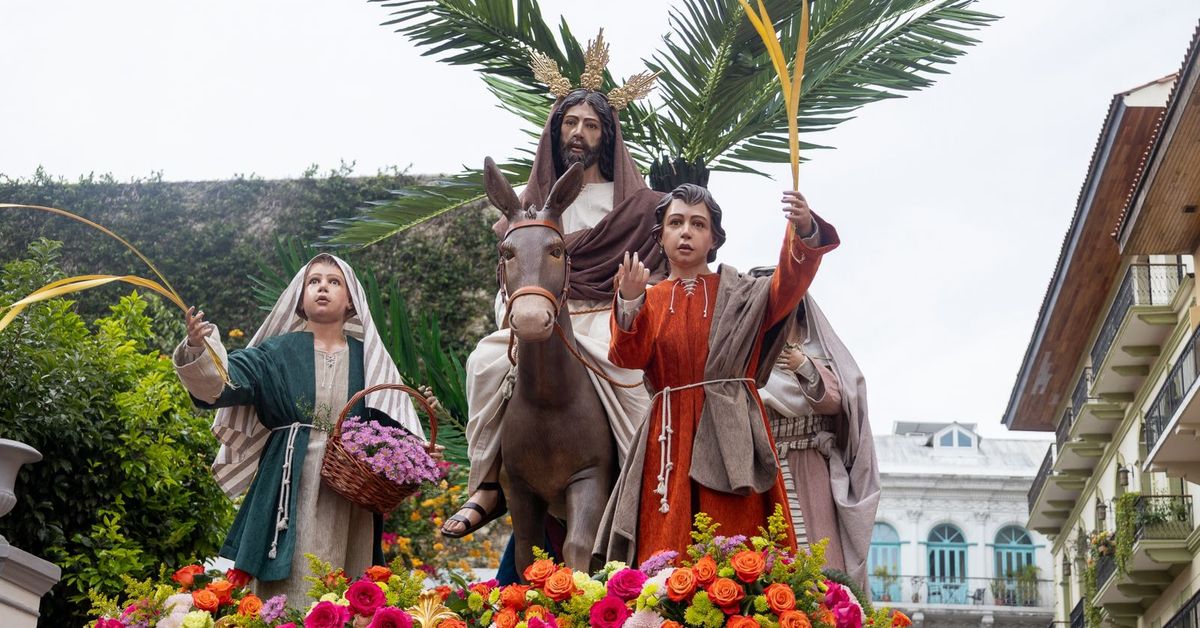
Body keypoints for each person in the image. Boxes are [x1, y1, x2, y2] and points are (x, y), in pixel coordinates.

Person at [443, 79, 665, 538]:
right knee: (484, 361)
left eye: (590, 124)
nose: (578, 133)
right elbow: (510, 277)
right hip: (542, 319)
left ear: (607, 135)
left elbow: (657, 279)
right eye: (570, 123)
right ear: (555, 131)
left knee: (635, 385)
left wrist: (630, 303)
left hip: (607, 321)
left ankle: (644, 485)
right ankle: (487, 483)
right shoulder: (527, 208)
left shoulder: (641, 207)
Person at [595, 184, 838, 564]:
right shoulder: (650, 297)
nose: (686, 232)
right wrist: (628, 300)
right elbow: (627, 356)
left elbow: (790, 283)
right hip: (668, 437)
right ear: (660, 236)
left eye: (698, 223)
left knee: (736, 546)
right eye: (675, 222)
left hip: (731, 432)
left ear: (714, 238)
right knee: (665, 552)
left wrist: (804, 231)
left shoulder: (743, 293)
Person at [174, 253, 429, 602]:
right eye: (314, 281)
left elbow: (389, 417)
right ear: (300, 297)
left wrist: (414, 452)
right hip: (287, 477)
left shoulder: (369, 358)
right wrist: (198, 347)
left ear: (351, 300)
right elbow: (226, 380)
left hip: (348, 487)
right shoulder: (275, 352)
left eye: (333, 281)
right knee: (288, 572)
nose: (322, 287)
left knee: (345, 578)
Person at [756, 291, 879, 588]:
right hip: (765, 464)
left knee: (821, 548)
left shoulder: (817, 348)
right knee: (767, 557)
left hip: (812, 460)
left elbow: (840, 401)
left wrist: (804, 366)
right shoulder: (751, 351)